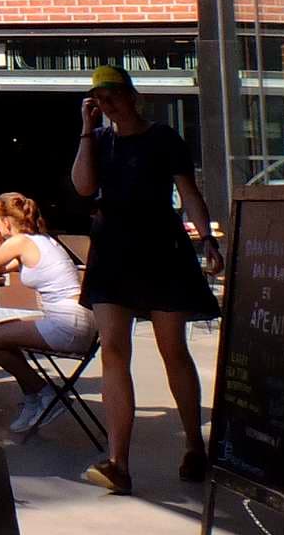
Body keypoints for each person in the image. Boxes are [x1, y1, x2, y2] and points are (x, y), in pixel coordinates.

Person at [72, 65, 221, 495]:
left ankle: (194, 444)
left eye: (113, 96)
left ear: (132, 96)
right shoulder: (99, 141)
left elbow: (188, 191)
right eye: (100, 99)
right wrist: (86, 130)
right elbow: (83, 187)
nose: (107, 105)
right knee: (113, 351)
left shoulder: (162, 137)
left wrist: (207, 238)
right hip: (112, 249)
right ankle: (118, 461)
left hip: (160, 247)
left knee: (172, 349)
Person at [0, 191, 96, 435]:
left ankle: (45, 393)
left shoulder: (19, 242)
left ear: (6, 221)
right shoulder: (41, 240)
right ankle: (33, 397)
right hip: (79, 320)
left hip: (67, 324)